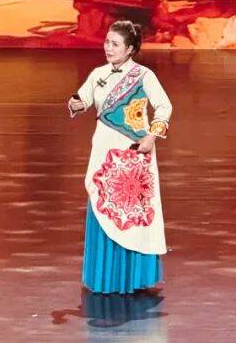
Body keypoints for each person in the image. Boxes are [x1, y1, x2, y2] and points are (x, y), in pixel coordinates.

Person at [68, 20, 171, 295]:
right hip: (104, 151)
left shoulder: (144, 76)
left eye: (115, 44)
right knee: (104, 206)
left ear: (130, 49)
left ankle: (133, 277)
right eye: (107, 42)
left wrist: (152, 137)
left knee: (130, 213)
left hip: (132, 152)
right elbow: (82, 99)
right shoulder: (98, 74)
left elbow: (164, 106)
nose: (108, 48)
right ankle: (105, 277)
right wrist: (76, 104)